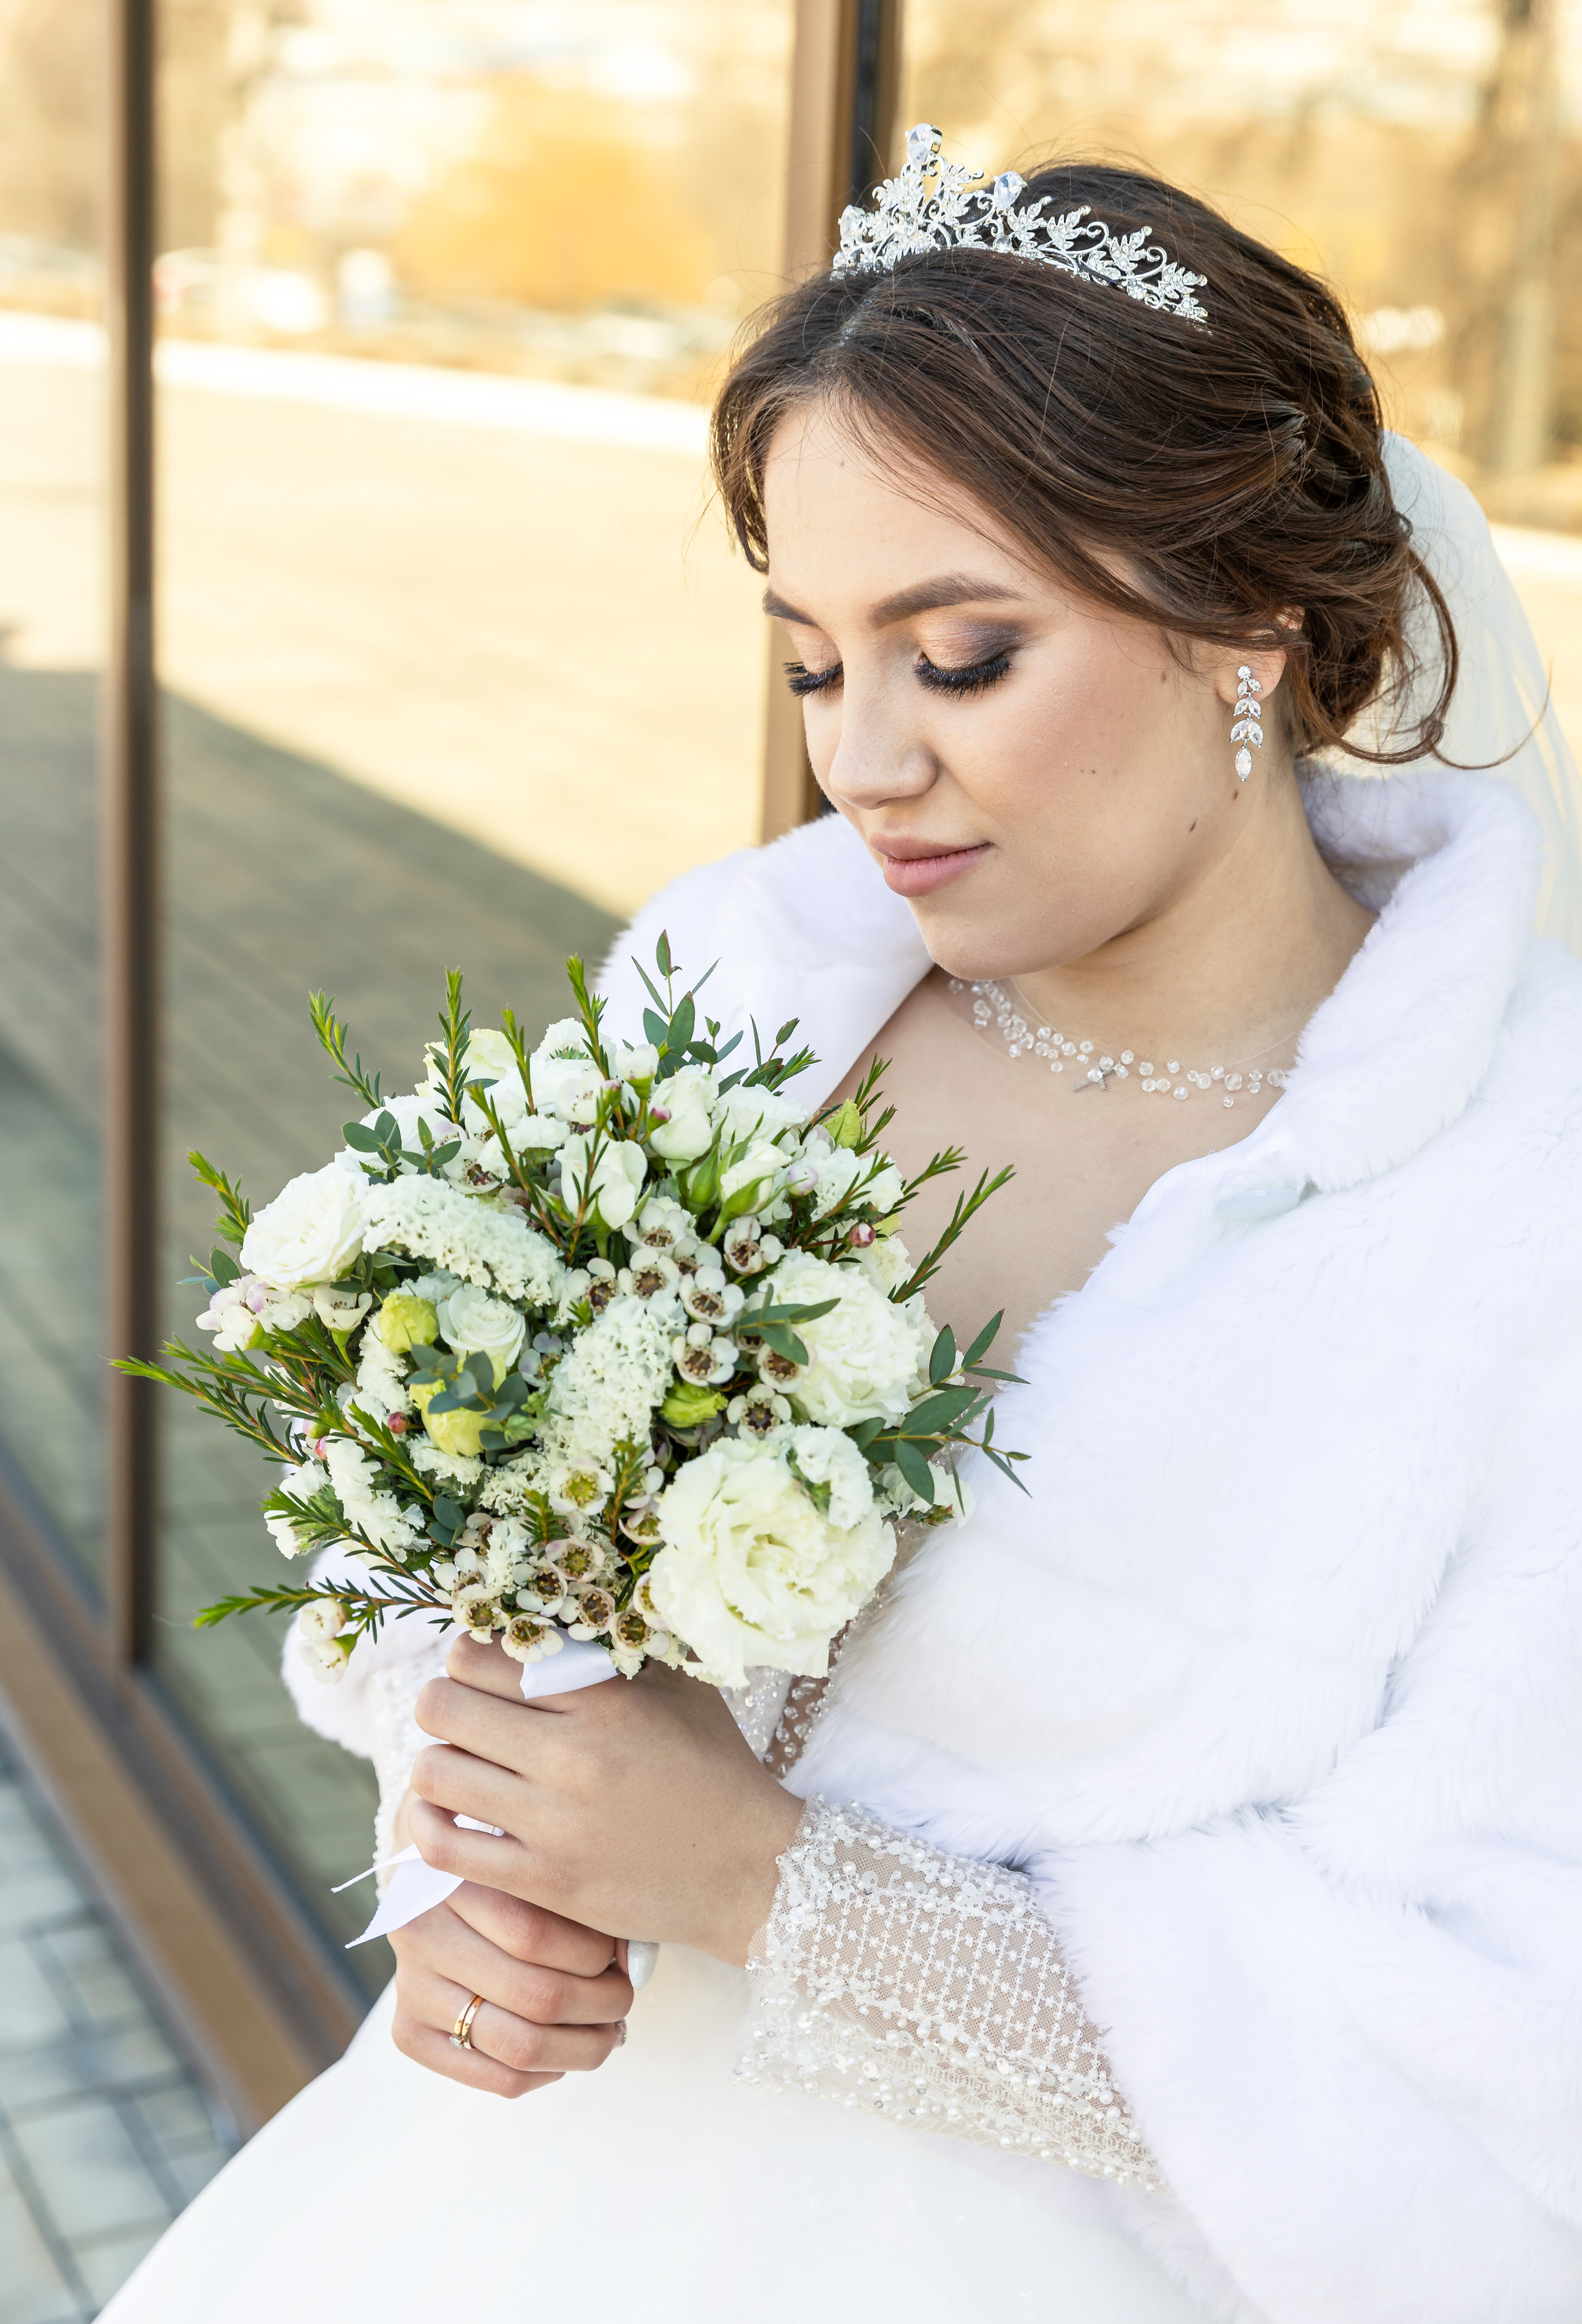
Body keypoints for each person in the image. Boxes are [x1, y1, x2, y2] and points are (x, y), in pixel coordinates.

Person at [104, 131, 1582, 2324]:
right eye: (811, 665)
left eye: (960, 656)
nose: (862, 764)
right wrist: (470, 1863)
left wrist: (764, 1888)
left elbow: (1497, 2076)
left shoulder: (1520, 1217)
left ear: (1250, 627)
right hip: (507, 2204)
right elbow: (448, 1568)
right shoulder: (735, 988)